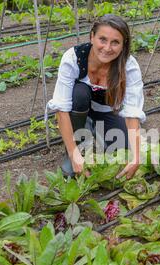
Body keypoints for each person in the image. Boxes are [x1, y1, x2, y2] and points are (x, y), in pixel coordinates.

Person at [46, 14, 145, 179]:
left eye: (115, 42)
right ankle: (76, 145)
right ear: (92, 37)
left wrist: (136, 157)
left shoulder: (129, 65)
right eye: (103, 39)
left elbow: (132, 112)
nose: (107, 48)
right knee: (79, 93)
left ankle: (91, 126)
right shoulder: (73, 58)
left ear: (123, 45)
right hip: (77, 107)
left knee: (122, 147)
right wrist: (74, 154)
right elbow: (61, 110)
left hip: (105, 110)